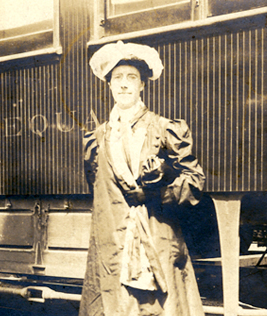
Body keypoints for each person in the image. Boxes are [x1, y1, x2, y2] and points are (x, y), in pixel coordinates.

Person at [80, 41, 206, 316]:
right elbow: (98, 187)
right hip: (112, 248)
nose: (124, 85)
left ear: (142, 85)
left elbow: (194, 181)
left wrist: (157, 193)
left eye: (131, 78)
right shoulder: (96, 138)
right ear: (110, 85)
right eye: (118, 78)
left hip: (156, 241)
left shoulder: (165, 129)